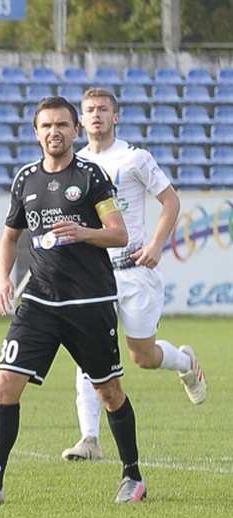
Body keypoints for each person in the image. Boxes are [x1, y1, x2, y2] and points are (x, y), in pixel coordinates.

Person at [0, 95, 148, 505]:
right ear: (37, 132)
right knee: (5, 383)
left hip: (89, 301)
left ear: (76, 131)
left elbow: (119, 233)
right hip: (40, 300)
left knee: (108, 391)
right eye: (46, 126)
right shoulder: (25, 179)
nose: (54, 132)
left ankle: (133, 476)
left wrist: (84, 233)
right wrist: (2, 278)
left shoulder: (92, 176)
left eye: (62, 125)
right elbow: (10, 235)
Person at [60, 87, 208, 461]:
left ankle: (187, 364)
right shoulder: (71, 164)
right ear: (80, 121)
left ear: (116, 117)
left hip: (134, 270)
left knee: (142, 355)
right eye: (90, 110)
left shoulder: (134, 158)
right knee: (88, 354)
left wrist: (157, 245)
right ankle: (89, 439)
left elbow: (171, 201)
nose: (96, 115)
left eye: (103, 109)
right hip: (94, 274)